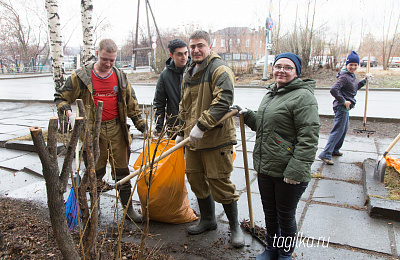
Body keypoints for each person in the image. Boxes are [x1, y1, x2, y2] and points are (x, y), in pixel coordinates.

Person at [231, 53, 320, 259]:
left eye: (288, 67)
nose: (281, 70)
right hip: (266, 166)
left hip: (288, 170)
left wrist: (296, 170)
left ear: (296, 72)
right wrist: (246, 114)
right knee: (270, 213)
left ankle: (285, 253)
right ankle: (272, 248)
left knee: (285, 216)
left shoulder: (304, 98)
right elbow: (267, 128)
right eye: (278, 66)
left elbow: (309, 138)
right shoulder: (272, 94)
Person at [54, 38, 147, 223]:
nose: (108, 64)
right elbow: (60, 98)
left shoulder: (120, 77)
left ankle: (128, 210)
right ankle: (92, 210)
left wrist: (144, 128)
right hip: (91, 132)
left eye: (112, 60)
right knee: (94, 173)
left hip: (116, 129)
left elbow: (132, 105)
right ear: (98, 54)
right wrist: (70, 115)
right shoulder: (81, 77)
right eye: (105, 59)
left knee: (122, 171)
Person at [174, 30, 244, 248]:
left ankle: (235, 228)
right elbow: (184, 105)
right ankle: (208, 220)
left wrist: (201, 126)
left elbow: (223, 102)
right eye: (192, 46)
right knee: (195, 179)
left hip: (215, 139)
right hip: (193, 140)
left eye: (200, 45)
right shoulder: (189, 71)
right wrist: (180, 130)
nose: (196, 50)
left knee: (219, 182)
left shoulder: (219, 70)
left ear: (210, 47)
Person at [319, 51, 372, 165]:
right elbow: (333, 89)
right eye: (351, 64)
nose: (353, 67)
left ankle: (335, 150)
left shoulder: (351, 76)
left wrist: (364, 81)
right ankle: (326, 153)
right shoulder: (345, 77)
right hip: (341, 107)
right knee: (338, 130)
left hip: (346, 107)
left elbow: (353, 89)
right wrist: (343, 101)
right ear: (346, 64)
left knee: (343, 129)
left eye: (355, 65)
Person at [152, 39, 190, 139]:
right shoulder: (165, 76)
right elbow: (159, 103)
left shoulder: (195, 70)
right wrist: (159, 128)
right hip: (174, 127)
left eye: (186, 53)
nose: (184, 57)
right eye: (179, 54)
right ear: (171, 56)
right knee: (176, 155)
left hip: (193, 126)